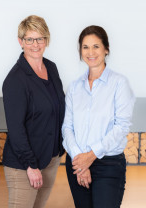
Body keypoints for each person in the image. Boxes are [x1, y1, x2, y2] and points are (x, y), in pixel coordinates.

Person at [62, 25, 135, 208]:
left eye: (96, 46)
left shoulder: (119, 84)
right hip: (77, 165)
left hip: (108, 165)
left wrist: (91, 155)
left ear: (106, 49)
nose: (90, 52)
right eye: (85, 47)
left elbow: (121, 127)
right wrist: (80, 161)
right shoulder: (74, 88)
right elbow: (67, 128)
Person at [2, 15, 65, 208]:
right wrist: (31, 165)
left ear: (46, 39)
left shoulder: (51, 68)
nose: (35, 44)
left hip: (50, 159)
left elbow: (58, 109)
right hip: (24, 166)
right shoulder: (15, 79)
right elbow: (16, 128)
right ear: (20, 41)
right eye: (29, 39)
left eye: (40, 38)